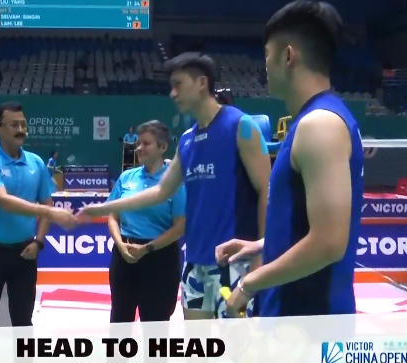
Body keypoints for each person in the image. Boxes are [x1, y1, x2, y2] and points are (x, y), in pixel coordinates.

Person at [215, 0, 364, 363]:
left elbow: (329, 240)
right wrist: (260, 245)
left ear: (289, 55)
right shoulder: (312, 123)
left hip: (308, 317)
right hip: (300, 313)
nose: (264, 66)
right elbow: (306, 225)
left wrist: (250, 283)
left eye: (266, 55)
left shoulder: (320, 126)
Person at [78, 52, 271, 321]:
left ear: (201, 83)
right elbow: (161, 191)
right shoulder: (187, 141)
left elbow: (267, 191)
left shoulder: (241, 126)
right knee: (197, 346)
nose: (172, 93)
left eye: (178, 84)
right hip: (195, 263)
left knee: (238, 345)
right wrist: (104, 208)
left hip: (235, 263)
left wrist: (261, 254)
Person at [0, 101, 77, 363]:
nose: (21, 129)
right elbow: (2, 200)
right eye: (14, 125)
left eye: (23, 124)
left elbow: (47, 201)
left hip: (24, 254)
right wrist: (49, 213)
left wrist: (39, 242)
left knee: (23, 321)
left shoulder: (36, 163)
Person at [106, 120, 186, 323]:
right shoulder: (126, 177)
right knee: (119, 321)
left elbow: (180, 227)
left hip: (160, 259)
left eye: (146, 143)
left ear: (163, 147)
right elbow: (112, 215)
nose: (139, 148)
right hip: (124, 257)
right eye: (138, 143)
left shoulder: (175, 182)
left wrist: (147, 248)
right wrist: (120, 244)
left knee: (155, 324)